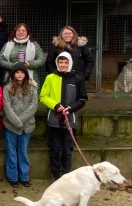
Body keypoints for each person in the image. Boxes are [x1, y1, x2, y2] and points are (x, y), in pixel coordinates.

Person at [39, 52, 88, 182]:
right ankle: (55, 175)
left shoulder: (77, 78)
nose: (63, 65)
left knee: (67, 150)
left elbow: (82, 99)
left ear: (70, 63)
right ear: (57, 63)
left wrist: (70, 108)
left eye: (66, 62)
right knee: (54, 149)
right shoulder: (50, 77)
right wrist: (55, 106)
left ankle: (66, 176)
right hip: (54, 120)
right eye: (61, 62)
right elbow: (43, 96)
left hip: (69, 120)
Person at [2, 63, 38, 188]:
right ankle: (13, 177)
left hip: (26, 126)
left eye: (22, 72)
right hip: (11, 126)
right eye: (17, 72)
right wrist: (16, 122)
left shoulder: (32, 88)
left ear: (26, 74)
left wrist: (21, 121)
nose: (20, 74)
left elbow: (33, 106)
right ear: (13, 74)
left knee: (23, 151)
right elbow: (7, 106)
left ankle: (24, 176)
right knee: (11, 151)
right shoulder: (7, 88)